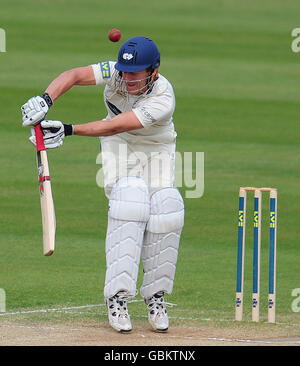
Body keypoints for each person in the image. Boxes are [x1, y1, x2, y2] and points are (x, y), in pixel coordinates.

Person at [21, 36, 184, 333]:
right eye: (125, 71)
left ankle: (156, 296)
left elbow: (117, 123)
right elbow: (73, 76)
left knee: (167, 208)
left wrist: (68, 129)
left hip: (156, 151)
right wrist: (45, 100)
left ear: (154, 70)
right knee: (129, 201)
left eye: (137, 73)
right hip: (119, 147)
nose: (128, 78)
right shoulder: (117, 73)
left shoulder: (163, 96)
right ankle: (118, 298)